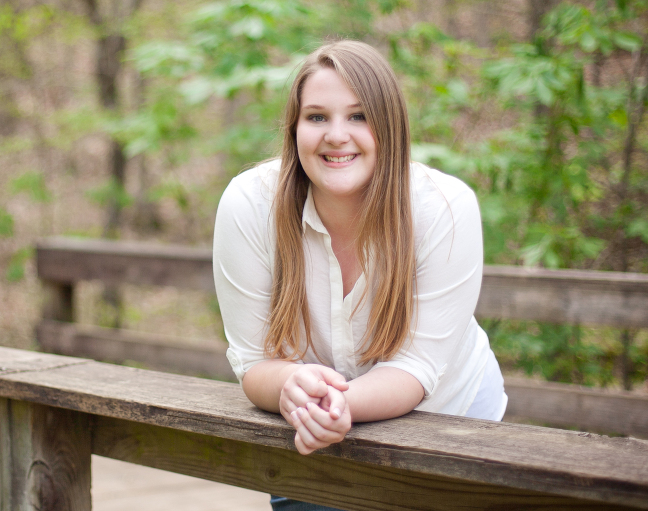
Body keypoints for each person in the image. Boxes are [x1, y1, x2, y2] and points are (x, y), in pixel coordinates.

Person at [212, 40, 507, 511]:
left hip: (447, 422)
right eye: (316, 117)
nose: (336, 135)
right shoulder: (250, 204)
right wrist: (290, 388)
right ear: (293, 129)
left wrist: (332, 405)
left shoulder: (444, 208)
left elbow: (416, 369)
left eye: (358, 116)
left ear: (389, 127)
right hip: (313, 433)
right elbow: (254, 361)